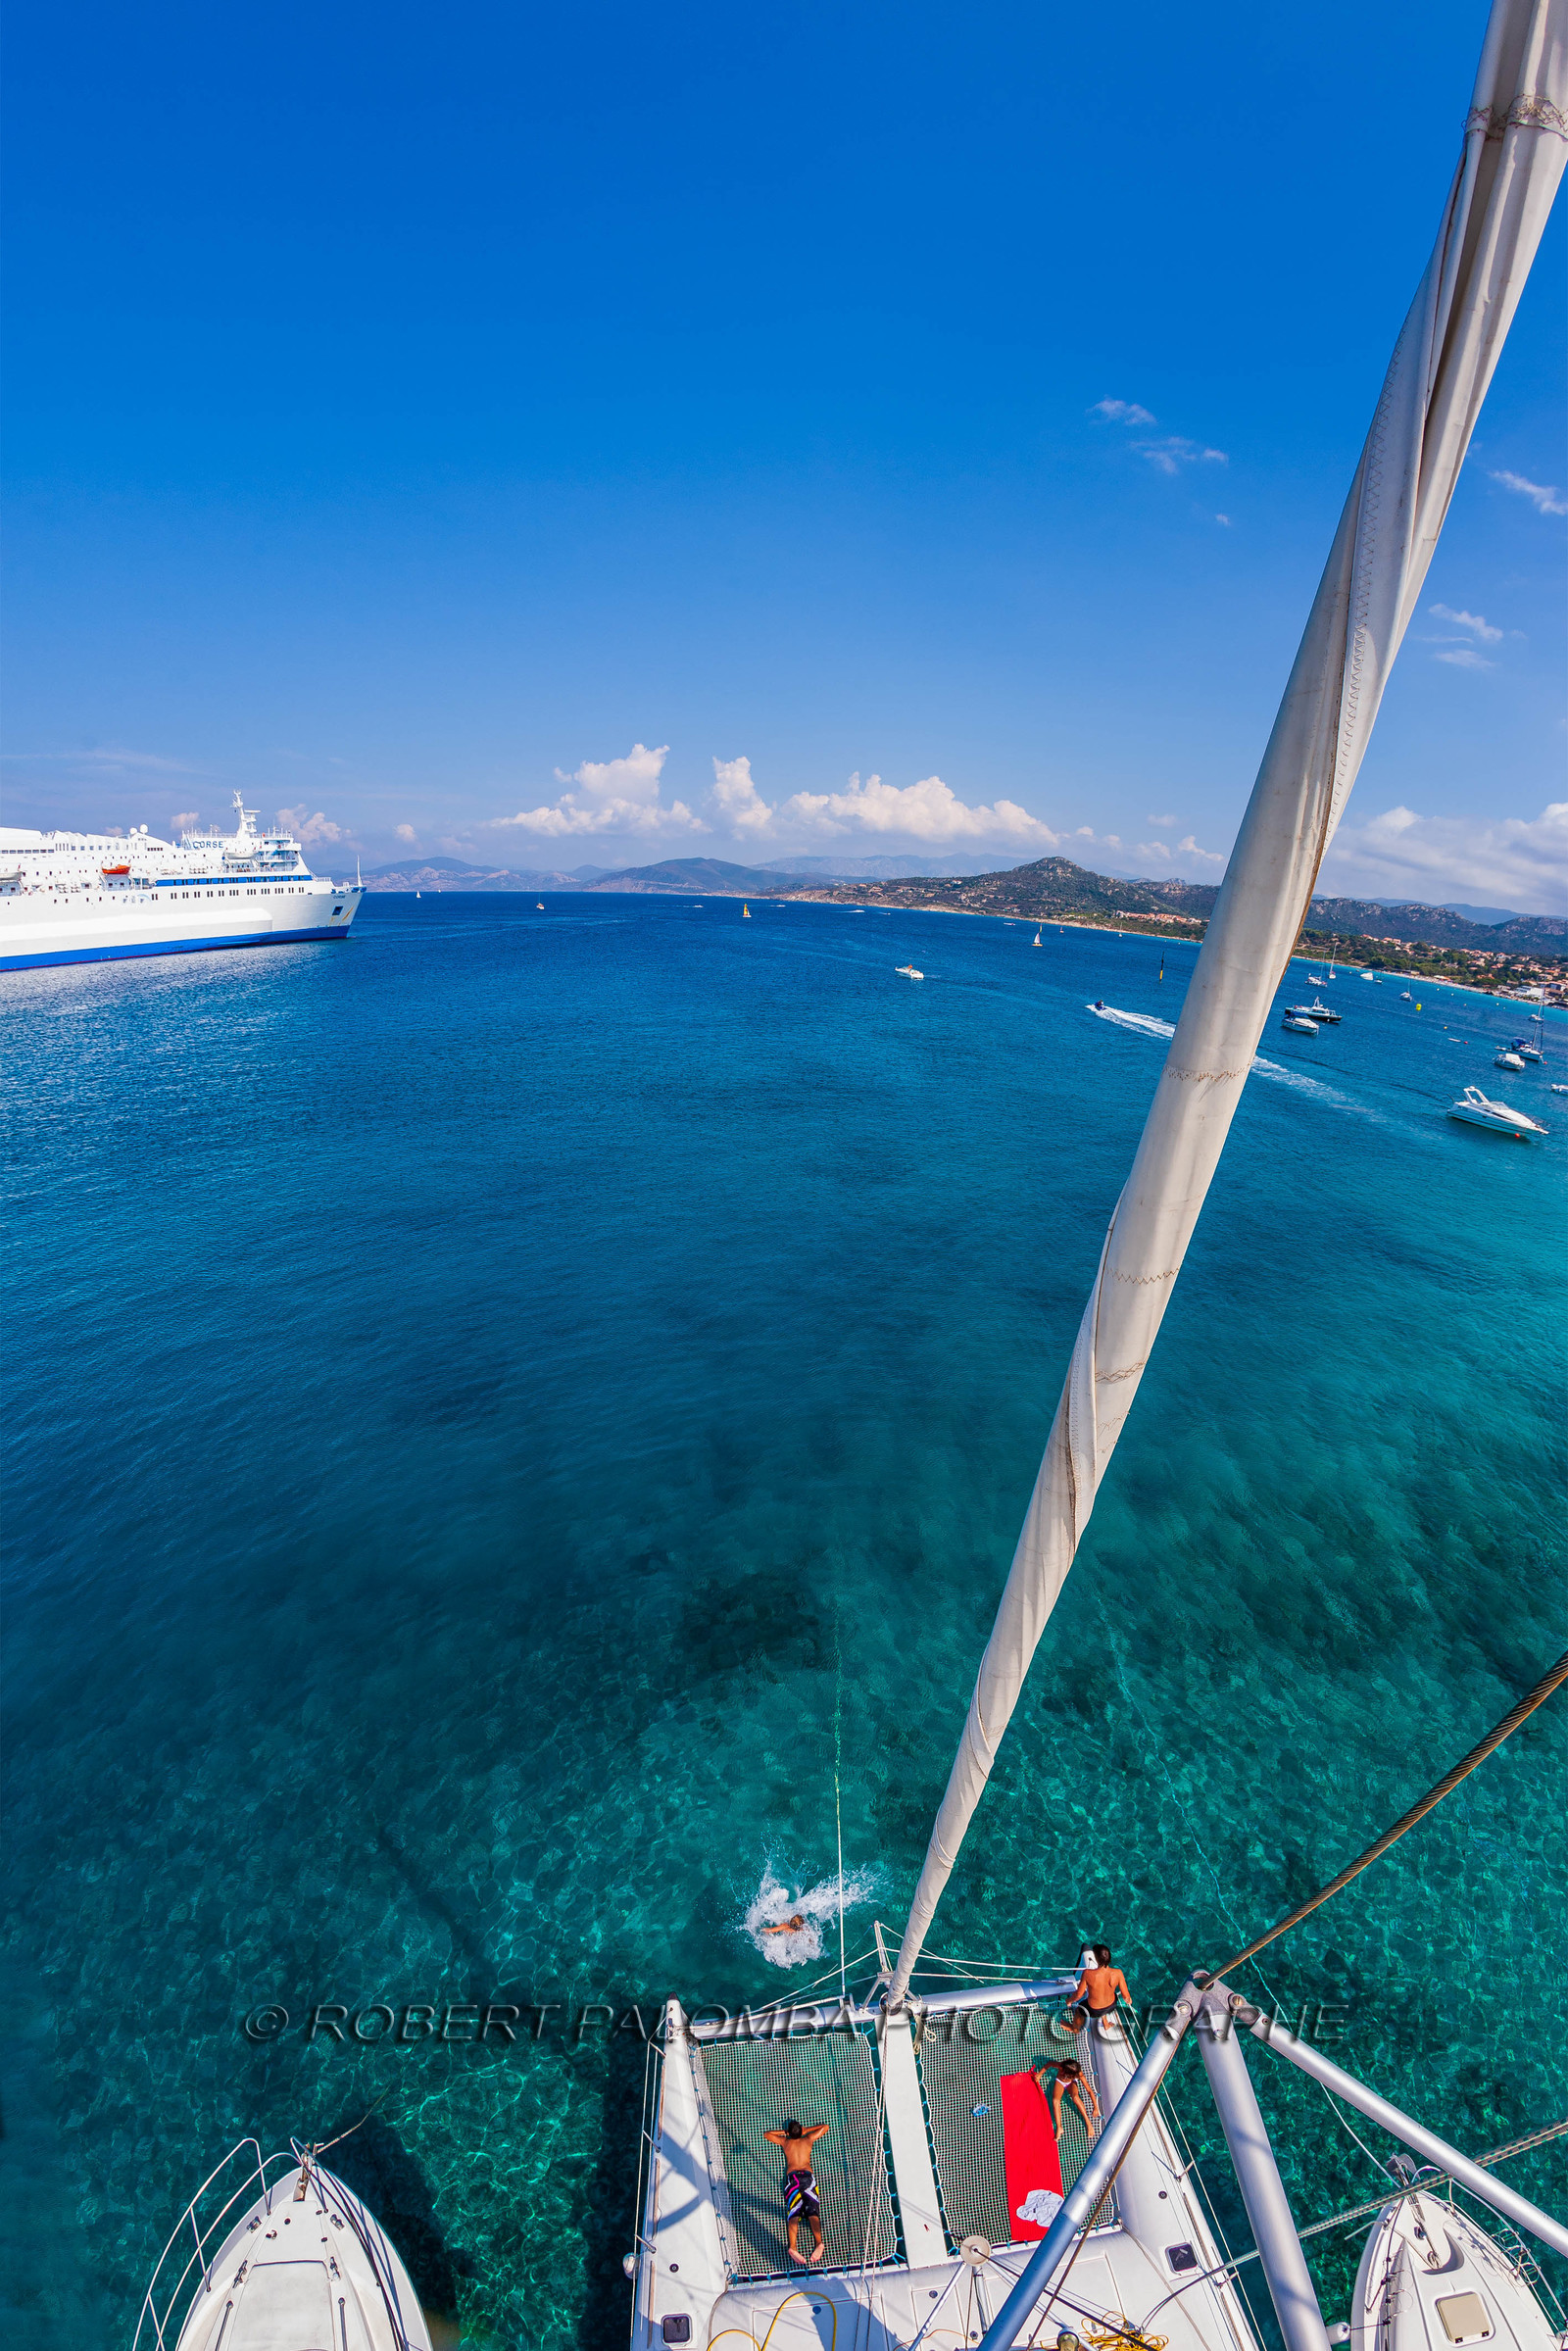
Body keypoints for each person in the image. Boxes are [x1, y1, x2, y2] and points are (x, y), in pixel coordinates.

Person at [763, 2119, 829, 2265]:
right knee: (812, 2212)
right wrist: (806, 2130)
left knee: (794, 2212)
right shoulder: (808, 2139)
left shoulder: (786, 2142)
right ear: (801, 2131)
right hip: (807, 2178)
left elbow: (767, 2134)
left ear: (789, 2132)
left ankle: (793, 2247)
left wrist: (784, 2133)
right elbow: (825, 2127)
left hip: (792, 2179)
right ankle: (819, 2242)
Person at [1033, 2056, 1100, 2136]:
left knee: (1075, 2097)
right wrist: (1040, 2074)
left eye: (1063, 2072)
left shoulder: (1079, 2074)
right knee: (1055, 2101)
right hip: (1060, 2082)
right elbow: (1049, 2064)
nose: (1061, 2071)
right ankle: (1059, 2127)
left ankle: (1088, 2122)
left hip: (1071, 2083)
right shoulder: (1061, 2066)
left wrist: (1095, 2107)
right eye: (1061, 2071)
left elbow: (1089, 2090)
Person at [1068, 1944, 1129, 2030]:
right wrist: (1129, 2001)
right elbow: (1126, 1997)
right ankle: (1106, 2023)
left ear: (1096, 1958)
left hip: (1094, 2010)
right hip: (1111, 2006)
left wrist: (1069, 2001)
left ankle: (1075, 2029)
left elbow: (1079, 1995)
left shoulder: (1087, 1973)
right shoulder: (1118, 1973)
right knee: (1106, 1996)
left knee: (1079, 2010)